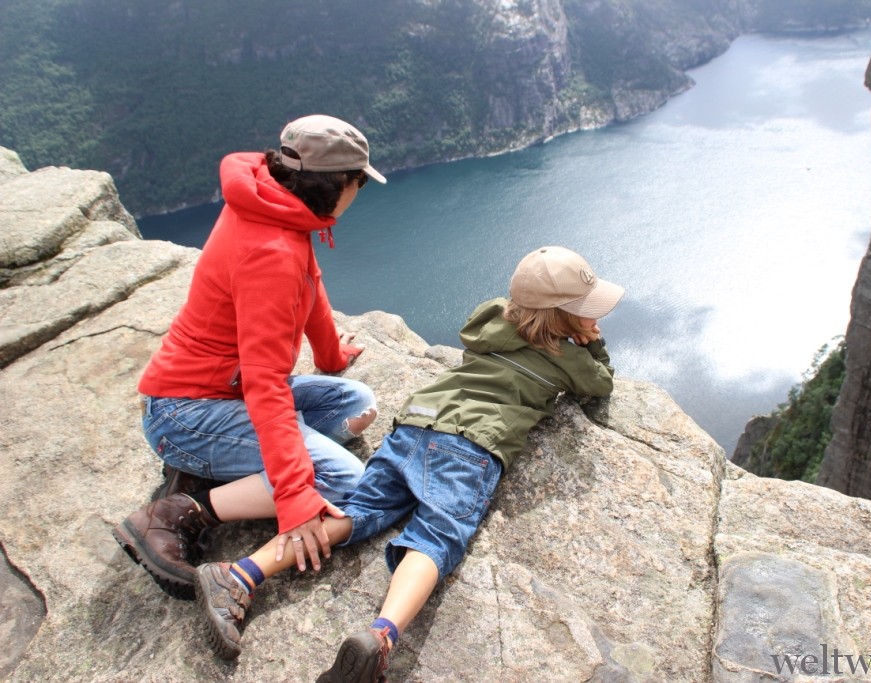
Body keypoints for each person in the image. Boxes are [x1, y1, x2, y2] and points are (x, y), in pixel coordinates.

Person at [191, 246, 625, 682]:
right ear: (561, 317)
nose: (593, 318)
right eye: (585, 311)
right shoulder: (566, 359)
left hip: (414, 426)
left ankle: (241, 573)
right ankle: (380, 637)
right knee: (436, 537)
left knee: (357, 511)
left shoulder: (491, 322)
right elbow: (599, 385)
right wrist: (594, 343)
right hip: (469, 447)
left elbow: (507, 312)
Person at [113, 114, 387, 601]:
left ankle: (224, 463)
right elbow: (266, 383)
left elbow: (311, 281)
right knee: (346, 482)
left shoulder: (272, 204)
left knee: (353, 402)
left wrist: (330, 355)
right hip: (186, 412)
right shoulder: (271, 252)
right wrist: (296, 495)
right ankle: (180, 511)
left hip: (220, 392)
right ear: (339, 183)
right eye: (359, 181)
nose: (360, 190)